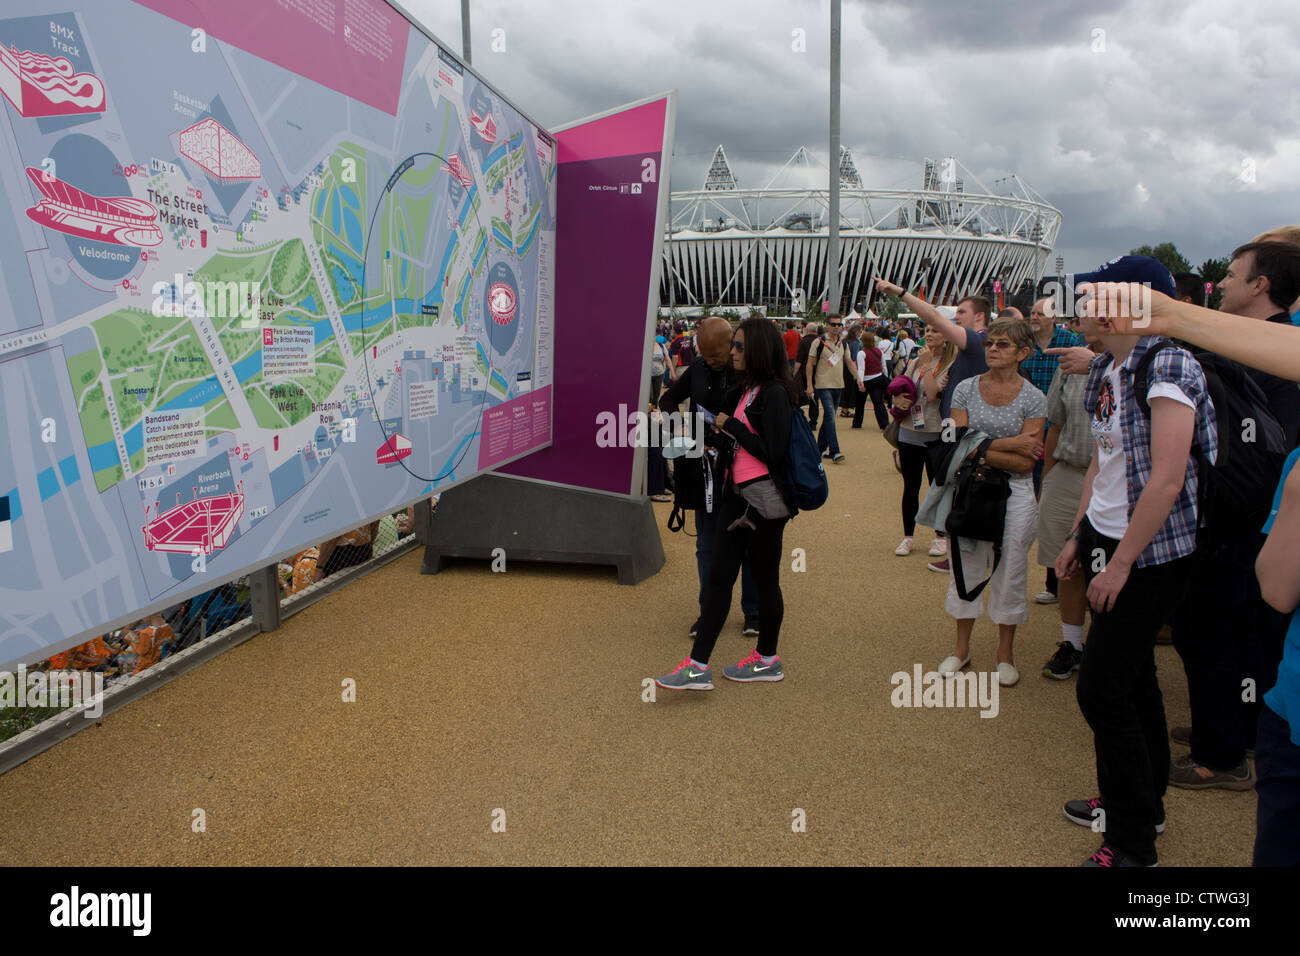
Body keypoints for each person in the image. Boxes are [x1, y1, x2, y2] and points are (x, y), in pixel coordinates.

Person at [1055, 256, 1218, 867]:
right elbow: (1106, 460)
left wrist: (1120, 564)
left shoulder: (1167, 361)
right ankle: (1141, 803)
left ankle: (1131, 845)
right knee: (1134, 680)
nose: (1081, 306)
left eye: (1094, 295)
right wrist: (1080, 536)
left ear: (1132, 302)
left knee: (1102, 692)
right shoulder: (1110, 365)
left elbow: (1167, 480)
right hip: (1110, 537)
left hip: (1148, 554)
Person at [655, 318, 799, 690]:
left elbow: (773, 452)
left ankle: (767, 658)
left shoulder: (776, 393)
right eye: (732, 346)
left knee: (766, 580)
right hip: (735, 495)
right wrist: (710, 439)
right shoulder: (749, 390)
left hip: (763, 502)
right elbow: (738, 441)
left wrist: (730, 429)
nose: (733, 353)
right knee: (719, 577)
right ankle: (697, 666)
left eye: (738, 346)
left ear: (757, 351)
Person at [936, 317, 1045, 688]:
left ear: (1023, 353)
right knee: (964, 564)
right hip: (970, 488)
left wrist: (978, 446)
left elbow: (1027, 461)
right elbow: (955, 441)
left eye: (1003, 344)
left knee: (1011, 566)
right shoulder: (965, 387)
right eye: (989, 343)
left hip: (1015, 492)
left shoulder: (1034, 396)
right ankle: (961, 648)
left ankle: (1004, 654)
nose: (993, 349)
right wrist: (1011, 442)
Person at [873, 277, 992, 572]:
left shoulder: (975, 341)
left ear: (978, 316)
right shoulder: (967, 349)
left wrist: (899, 292)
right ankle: (950, 551)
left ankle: (958, 551)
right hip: (930, 427)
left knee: (950, 484)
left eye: (961, 313)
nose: (956, 318)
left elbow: (934, 316)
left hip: (949, 427)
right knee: (945, 486)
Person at [658, 316, 761, 637]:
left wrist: (731, 427)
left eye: (715, 354)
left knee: (748, 544)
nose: (710, 360)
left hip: (744, 469)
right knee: (706, 545)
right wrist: (681, 426)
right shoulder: (698, 369)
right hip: (704, 470)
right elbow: (668, 398)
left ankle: (754, 613)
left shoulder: (747, 371)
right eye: (704, 354)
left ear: (731, 344)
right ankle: (708, 611)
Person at [1037, 340, 1097, 679]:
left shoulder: (1148, 360)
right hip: (1071, 473)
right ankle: (1073, 645)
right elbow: (1055, 426)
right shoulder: (1069, 362)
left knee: (1116, 567)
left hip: (1121, 484)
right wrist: (1046, 481)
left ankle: (1112, 647)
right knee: (1068, 564)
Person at [1021, 296, 1085, 603]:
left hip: (1060, 426)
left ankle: (1063, 580)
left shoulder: (1070, 342)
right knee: (1044, 501)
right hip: (1035, 425)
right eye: (1031, 312)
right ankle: (1053, 581)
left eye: (1039, 312)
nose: (1034, 317)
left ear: (1054, 316)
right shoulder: (1025, 343)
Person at [892, 334, 956, 556]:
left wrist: (928, 365)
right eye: (927, 329)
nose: (929, 334)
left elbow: (932, 395)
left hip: (937, 432)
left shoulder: (952, 363)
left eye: (936, 330)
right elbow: (901, 386)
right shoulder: (914, 361)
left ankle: (940, 535)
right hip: (910, 430)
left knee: (937, 486)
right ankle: (908, 536)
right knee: (910, 486)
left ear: (947, 336)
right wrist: (897, 399)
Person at [803, 314, 865, 463]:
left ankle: (819, 449)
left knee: (828, 419)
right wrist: (809, 385)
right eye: (834, 324)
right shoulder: (819, 342)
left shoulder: (844, 343)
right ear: (827, 325)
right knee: (830, 416)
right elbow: (810, 364)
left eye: (839, 325)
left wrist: (858, 379)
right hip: (823, 384)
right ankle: (835, 450)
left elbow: (849, 361)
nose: (837, 327)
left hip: (838, 384)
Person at [853, 330, 888, 430]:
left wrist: (860, 382)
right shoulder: (879, 351)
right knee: (878, 403)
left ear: (863, 341)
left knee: (860, 403)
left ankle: (857, 423)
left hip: (866, 380)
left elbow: (861, 368)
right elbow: (884, 366)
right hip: (878, 378)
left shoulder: (861, 353)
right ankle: (884, 424)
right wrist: (885, 378)